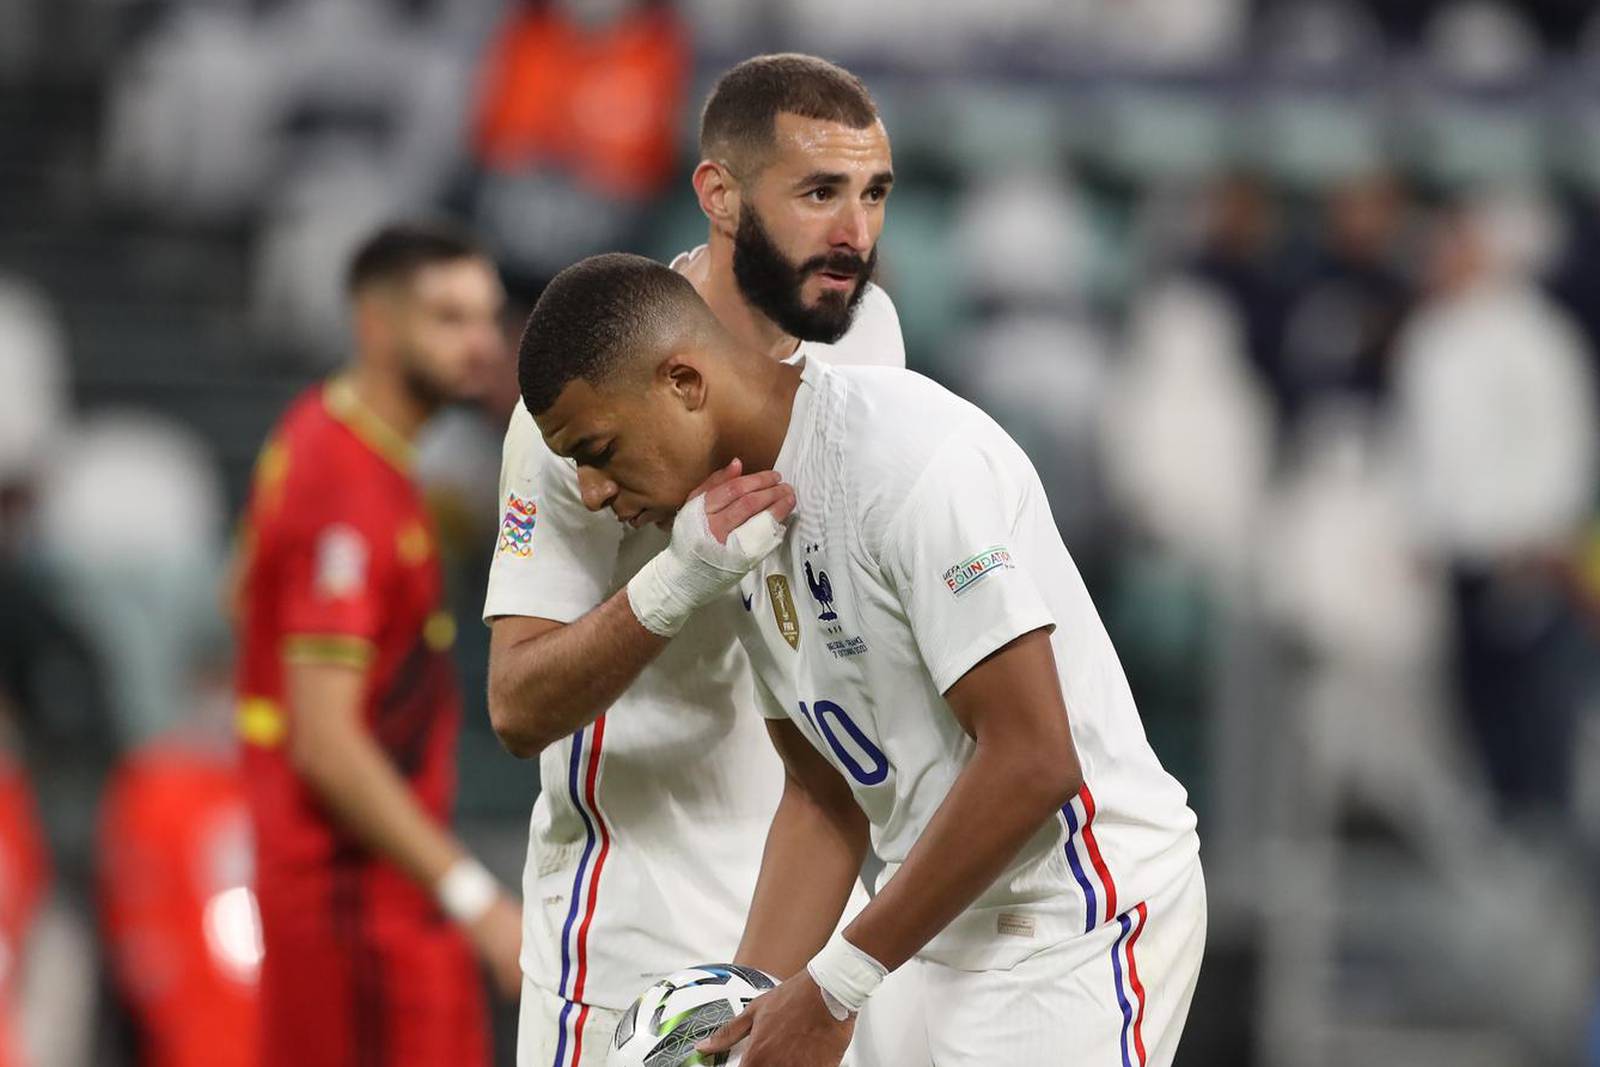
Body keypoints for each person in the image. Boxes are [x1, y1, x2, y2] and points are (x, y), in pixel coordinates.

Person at [516, 253, 1206, 1067]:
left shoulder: (909, 463)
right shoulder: (738, 530)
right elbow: (822, 797)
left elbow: (1033, 757)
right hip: (939, 925)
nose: (593, 491)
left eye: (599, 448)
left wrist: (834, 983)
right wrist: (741, 1011)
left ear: (683, 382)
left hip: (1075, 918)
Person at [483, 54, 920, 1067]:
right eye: (815, 193)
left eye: (869, 194)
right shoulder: (588, 401)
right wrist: (677, 578)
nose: (851, 229)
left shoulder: (870, 340)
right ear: (719, 194)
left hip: (809, 906)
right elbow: (515, 703)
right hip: (625, 933)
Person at [233, 222, 522, 1067]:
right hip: (353, 901)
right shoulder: (346, 487)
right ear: (375, 322)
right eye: (448, 317)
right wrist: (474, 896)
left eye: (485, 316)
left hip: (361, 887)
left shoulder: (321, 429)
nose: (479, 342)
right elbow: (323, 739)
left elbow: (240, 587)